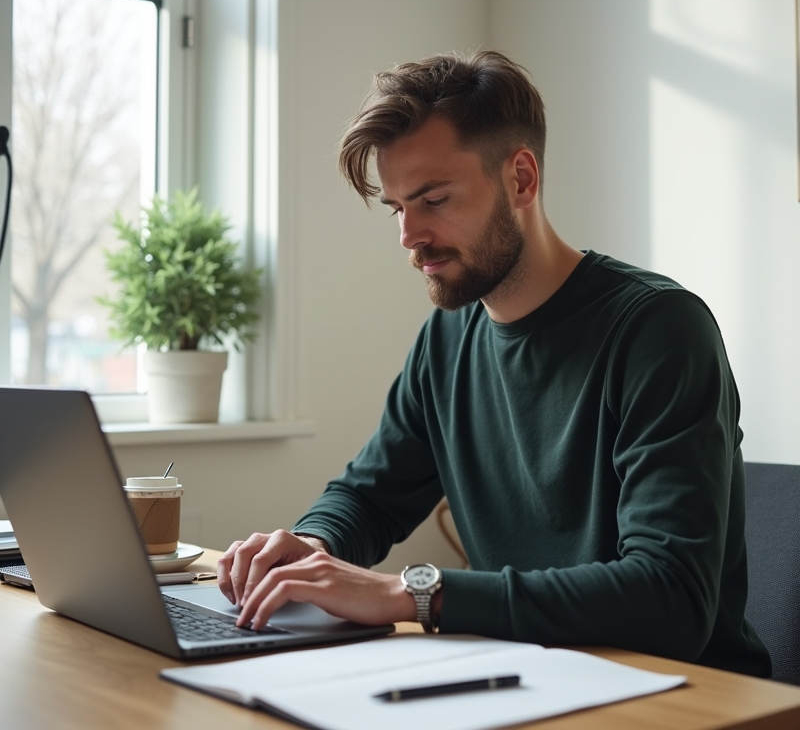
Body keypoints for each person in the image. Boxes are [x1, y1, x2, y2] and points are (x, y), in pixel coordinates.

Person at [218, 50, 770, 677]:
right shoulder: (448, 337)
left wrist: (412, 594)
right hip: (532, 676)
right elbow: (371, 495)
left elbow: (670, 599)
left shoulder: (659, 329)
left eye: (434, 199)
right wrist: (313, 545)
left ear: (521, 179)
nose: (409, 236)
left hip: (686, 697)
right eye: (399, 208)